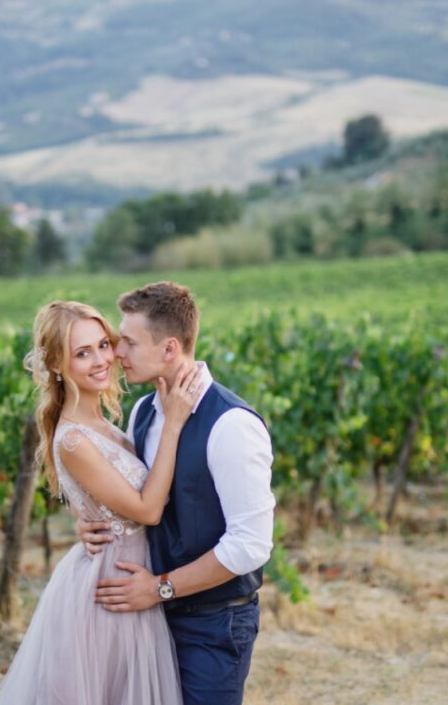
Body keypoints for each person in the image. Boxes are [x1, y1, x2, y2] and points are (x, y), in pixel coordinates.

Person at [0, 300, 200, 705]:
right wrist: (174, 423)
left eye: (103, 345)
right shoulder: (73, 438)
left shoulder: (102, 423)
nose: (101, 359)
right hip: (109, 590)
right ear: (56, 365)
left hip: (126, 577)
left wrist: (84, 516)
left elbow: (98, 497)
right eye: (82, 353)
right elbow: (147, 510)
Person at [82, 281, 276, 705]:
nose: (117, 354)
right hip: (148, 620)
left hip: (213, 625)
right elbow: (133, 499)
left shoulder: (232, 426)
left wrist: (159, 588)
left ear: (169, 348)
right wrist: (92, 523)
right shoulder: (143, 412)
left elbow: (250, 546)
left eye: (128, 342)